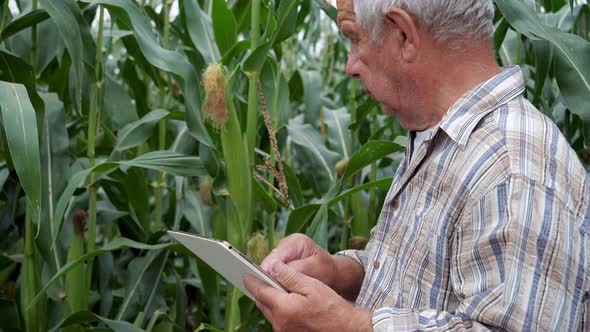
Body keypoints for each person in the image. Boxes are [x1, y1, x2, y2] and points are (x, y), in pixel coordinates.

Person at [243, 0, 590, 330]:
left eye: (353, 37)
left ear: (404, 35)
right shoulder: (440, 137)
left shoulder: (513, 169)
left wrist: (347, 326)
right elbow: (418, 285)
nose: (349, 66)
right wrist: (337, 272)